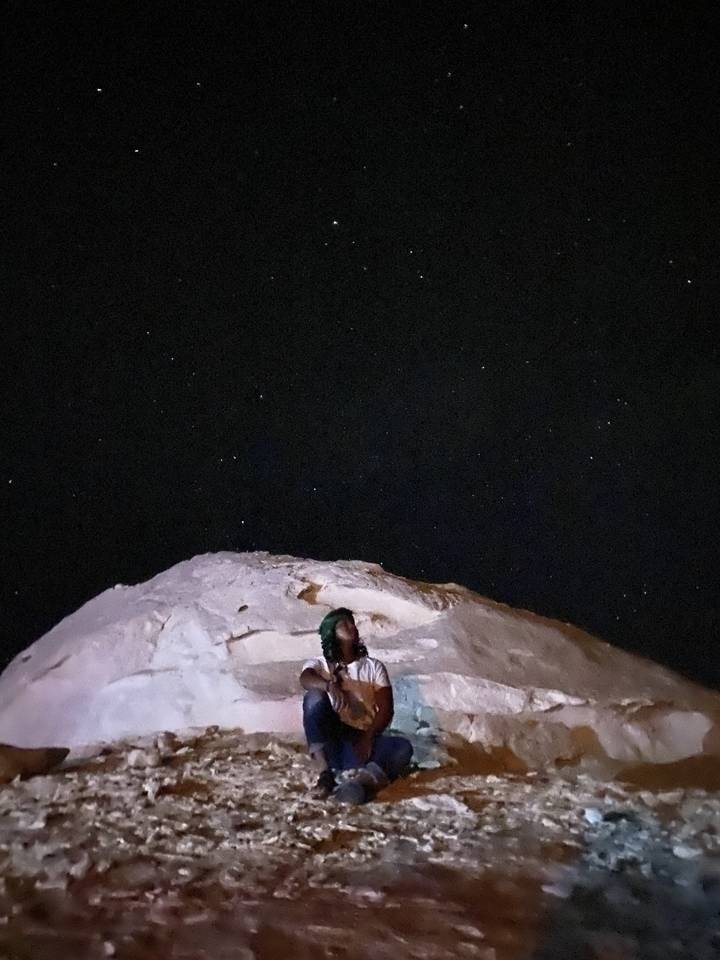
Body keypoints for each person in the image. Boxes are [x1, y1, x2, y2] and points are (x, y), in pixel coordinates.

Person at [300, 607, 414, 804]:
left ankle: (356, 783)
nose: (351, 626)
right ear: (331, 633)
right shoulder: (320, 665)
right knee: (314, 697)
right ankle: (325, 774)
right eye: (343, 624)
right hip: (333, 738)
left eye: (352, 622)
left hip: (361, 738)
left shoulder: (373, 667)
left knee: (403, 748)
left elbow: (386, 709)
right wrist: (329, 686)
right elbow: (305, 679)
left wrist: (368, 738)